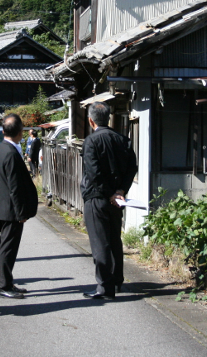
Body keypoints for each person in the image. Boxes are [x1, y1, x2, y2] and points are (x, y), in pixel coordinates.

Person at [80, 102, 138, 300]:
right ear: (109, 118)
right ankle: (117, 280)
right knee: (114, 240)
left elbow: (93, 173)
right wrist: (121, 190)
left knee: (100, 243)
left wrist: (109, 193)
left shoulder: (91, 141)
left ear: (91, 120)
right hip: (117, 199)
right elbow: (132, 167)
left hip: (97, 198)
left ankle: (105, 287)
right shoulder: (123, 139)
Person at [0, 113, 38, 299]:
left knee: (7, 246)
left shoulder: (0, 149)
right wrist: (20, 212)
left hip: (3, 205)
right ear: (19, 132)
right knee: (8, 248)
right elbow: (15, 187)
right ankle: (3, 285)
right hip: (11, 209)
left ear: (3, 131)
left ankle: (7, 282)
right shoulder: (10, 153)